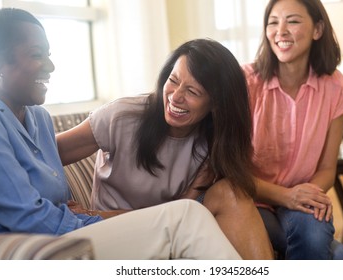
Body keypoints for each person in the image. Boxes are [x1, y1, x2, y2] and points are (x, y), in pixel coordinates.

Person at [0, 7, 248, 260]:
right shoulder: (123, 117)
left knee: (197, 213)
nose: (51, 65)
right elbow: (29, 219)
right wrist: (102, 219)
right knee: (185, 218)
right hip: (43, 243)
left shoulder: (39, 118)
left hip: (71, 232)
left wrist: (101, 218)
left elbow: (58, 198)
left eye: (193, 92)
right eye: (36, 54)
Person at [56, 39, 273, 259]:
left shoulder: (212, 141)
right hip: (111, 226)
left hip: (168, 228)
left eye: (192, 91)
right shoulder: (121, 117)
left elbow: (179, 214)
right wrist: (52, 209)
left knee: (232, 192)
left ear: (215, 104)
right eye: (173, 80)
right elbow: (45, 152)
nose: (175, 96)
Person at [242, 0, 343, 259]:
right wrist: (287, 196)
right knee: (340, 257)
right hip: (250, 200)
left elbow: (327, 169)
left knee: (324, 243)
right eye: (273, 22)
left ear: (317, 30)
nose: (280, 31)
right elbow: (229, 170)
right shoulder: (245, 83)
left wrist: (305, 195)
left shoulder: (334, 86)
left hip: (300, 200)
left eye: (292, 21)